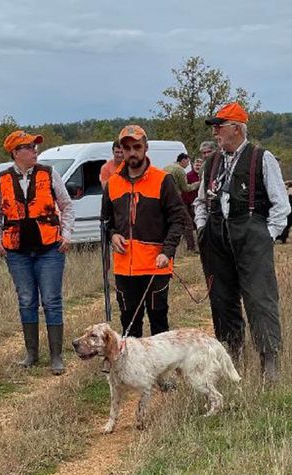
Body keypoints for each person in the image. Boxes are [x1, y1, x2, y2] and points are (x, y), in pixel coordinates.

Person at [193, 102, 290, 382]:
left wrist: (266, 235)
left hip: (251, 237)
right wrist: (202, 228)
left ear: (236, 128)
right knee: (222, 299)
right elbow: (200, 201)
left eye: (219, 126)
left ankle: (268, 362)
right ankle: (232, 357)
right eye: (214, 127)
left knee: (260, 299)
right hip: (216, 237)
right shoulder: (212, 163)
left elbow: (281, 205)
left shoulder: (261, 158)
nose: (215, 133)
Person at [0, 130, 75, 375]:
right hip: (17, 252)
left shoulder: (49, 174)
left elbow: (66, 206)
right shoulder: (2, 179)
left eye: (34, 147)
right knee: (26, 300)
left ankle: (56, 356)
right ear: (15, 153)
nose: (34, 151)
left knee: (51, 300)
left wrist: (66, 235)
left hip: (50, 249)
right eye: (28, 147)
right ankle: (31, 354)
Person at [101, 124, 185, 338]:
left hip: (156, 264)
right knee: (129, 323)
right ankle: (131, 371)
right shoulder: (112, 184)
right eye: (127, 148)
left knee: (159, 322)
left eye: (136, 147)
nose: (132, 152)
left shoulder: (162, 180)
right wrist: (112, 235)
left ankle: (162, 371)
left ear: (146, 148)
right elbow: (105, 221)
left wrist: (167, 251)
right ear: (121, 150)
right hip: (124, 267)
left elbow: (178, 218)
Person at [164, 153, 200, 252]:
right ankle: (191, 248)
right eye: (187, 162)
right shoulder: (180, 170)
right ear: (183, 160)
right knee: (188, 222)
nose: (188, 165)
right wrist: (198, 184)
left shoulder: (167, 167)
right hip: (175, 199)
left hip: (164, 199)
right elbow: (185, 188)